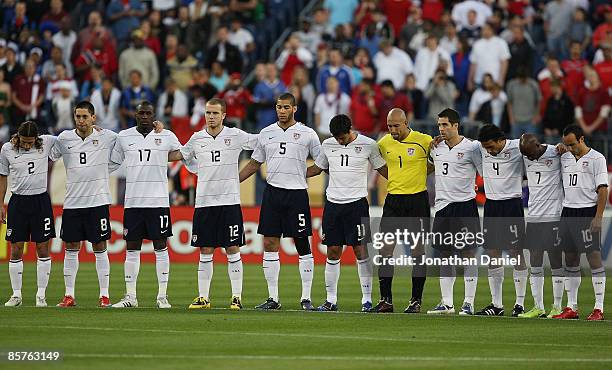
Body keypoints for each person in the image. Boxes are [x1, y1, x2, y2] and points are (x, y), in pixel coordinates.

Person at [239, 93, 322, 310]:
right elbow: (255, 163)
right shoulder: (266, 133)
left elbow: (322, 162)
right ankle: (273, 298)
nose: (281, 111)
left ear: (294, 109)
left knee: (302, 243)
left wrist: (304, 173)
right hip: (273, 193)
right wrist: (234, 180)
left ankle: (306, 298)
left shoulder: (307, 133)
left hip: (296, 194)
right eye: (278, 107)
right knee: (269, 243)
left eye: (286, 107)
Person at [176, 98, 257, 310]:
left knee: (232, 248)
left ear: (223, 115)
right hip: (204, 202)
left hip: (229, 201)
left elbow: (259, 142)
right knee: (205, 249)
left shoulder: (235, 135)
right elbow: (184, 156)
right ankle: (203, 297)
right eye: (208, 113)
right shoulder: (197, 138)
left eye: (215, 113)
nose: (211, 117)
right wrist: (196, 169)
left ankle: (236, 297)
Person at [306, 114, 387, 312]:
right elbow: (317, 168)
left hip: (356, 205)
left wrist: (404, 179)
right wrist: (293, 170)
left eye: (342, 137)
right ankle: (330, 300)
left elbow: (383, 169)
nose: (339, 141)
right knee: (333, 251)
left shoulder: (368, 144)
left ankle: (367, 299)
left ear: (350, 130)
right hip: (333, 204)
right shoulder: (328, 144)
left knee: (360, 250)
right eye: (336, 137)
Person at [110, 101, 181, 309]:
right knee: (132, 248)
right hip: (132, 203)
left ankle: (162, 296)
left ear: (154, 115)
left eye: (148, 113)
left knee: (161, 247)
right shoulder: (124, 136)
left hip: (158, 201)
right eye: (140, 113)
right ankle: (130, 297)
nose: (144, 116)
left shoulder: (166, 136)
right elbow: (113, 161)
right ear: (135, 114)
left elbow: (180, 154)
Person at [49, 101, 118, 308]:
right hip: (72, 203)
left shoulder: (107, 136)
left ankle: (104, 295)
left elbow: (129, 140)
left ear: (93, 118)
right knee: (71, 247)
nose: (81, 120)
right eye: (78, 116)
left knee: (100, 246)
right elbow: (49, 152)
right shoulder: (64, 138)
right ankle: (69, 295)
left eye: (85, 117)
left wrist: (158, 128)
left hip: (97, 202)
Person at [374, 108, 432, 313]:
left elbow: (435, 163)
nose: (392, 130)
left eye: (396, 126)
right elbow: (375, 161)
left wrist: (419, 174)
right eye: (389, 126)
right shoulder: (384, 142)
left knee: (417, 252)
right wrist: (393, 176)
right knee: (385, 250)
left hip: (417, 201)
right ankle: (386, 300)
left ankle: (416, 300)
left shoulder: (424, 141)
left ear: (406, 123)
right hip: (393, 201)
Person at [427, 108, 481, 315]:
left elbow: (484, 170)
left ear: (456, 125)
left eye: (445, 125)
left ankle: (468, 302)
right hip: (442, 207)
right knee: (445, 254)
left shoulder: (472, 147)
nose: (441, 129)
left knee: (468, 253)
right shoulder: (436, 148)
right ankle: (447, 302)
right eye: (439, 125)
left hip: (464, 205)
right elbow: (430, 167)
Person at [553, 125, 607, 321]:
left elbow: (603, 190)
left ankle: (598, 308)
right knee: (571, 259)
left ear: (582, 139)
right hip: (568, 212)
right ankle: (571, 307)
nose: (570, 148)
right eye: (567, 144)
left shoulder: (597, 158)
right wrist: (561, 148)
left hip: (587, 211)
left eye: (573, 144)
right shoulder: (565, 156)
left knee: (594, 258)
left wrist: (598, 217)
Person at [475, 124, 527, 317]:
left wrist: (559, 148)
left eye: (491, 146)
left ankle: (519, 303)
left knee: (515, 252)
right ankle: (496, 304)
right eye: (486, 147)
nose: (489, 150)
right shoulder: (480, 147)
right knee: (492, 252)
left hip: (512, 204)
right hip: (492, 205)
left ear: (500, 140)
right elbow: (462, 143)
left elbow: (542, 149)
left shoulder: (518, 147)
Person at [1, 121, 55, 307]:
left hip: (40, 200)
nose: (26, 145)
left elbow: (69, 138)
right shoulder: (7, 149)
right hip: (18, 201)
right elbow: (2, 175)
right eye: (23, 141)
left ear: (36, 138)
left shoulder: (46, 142)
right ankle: (16, 295)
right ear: (17, 136)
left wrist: (92, 131)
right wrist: (1, 203)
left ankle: (41, 295)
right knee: (16, 248)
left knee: (42, 248)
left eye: (30, 142)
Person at [518, 134, 565, 318]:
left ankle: (558, 306)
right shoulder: (525, 156)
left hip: (554, 215)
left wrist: (564, 147)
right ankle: (538, 306)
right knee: (535, 260)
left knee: (555, 261)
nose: (529, 158)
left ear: (538, 145)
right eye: (526, 156)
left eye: (531, 154)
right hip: (534, 216)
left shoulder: (557, 152)